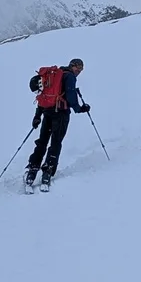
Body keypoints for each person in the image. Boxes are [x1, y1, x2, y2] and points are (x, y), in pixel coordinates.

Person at [26, 58, 90, 190]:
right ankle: (47, 171)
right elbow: (71, 96)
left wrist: (37, 116)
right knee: (55, 142)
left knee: (42, 141)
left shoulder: (55, 74)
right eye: (78, 68)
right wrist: (80, 109)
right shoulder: (69, 77)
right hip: (61, 114)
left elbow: (43, 95)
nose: (79, 71)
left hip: (47, 112)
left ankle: (32, 169)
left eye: (81, 69)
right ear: (72, 66)